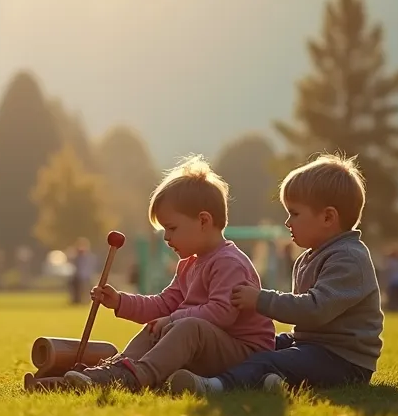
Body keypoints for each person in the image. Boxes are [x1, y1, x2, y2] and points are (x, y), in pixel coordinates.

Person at [167, 153, 382, 394]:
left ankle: (214, 386)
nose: (288, 222)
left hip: (343, 360)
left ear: (328, 217)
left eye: (295, 213)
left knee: (266, 359)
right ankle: (273, 382)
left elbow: (314, 309)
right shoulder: (309, 257)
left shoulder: (348, 258)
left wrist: (260, 299)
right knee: (256, 347)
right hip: (310, 345)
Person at [62, 156, 275, 391]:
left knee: (188, 326)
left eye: (172, 228)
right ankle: (119, 368)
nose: (166, 237)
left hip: (245, 354)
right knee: (156, 326)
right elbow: (164, 304)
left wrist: (173, 319)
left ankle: (139, 375)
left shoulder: (229, 263)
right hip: (210, 347)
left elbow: (221, 313)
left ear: (204, 221)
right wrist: (120, 302)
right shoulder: (188, 265)